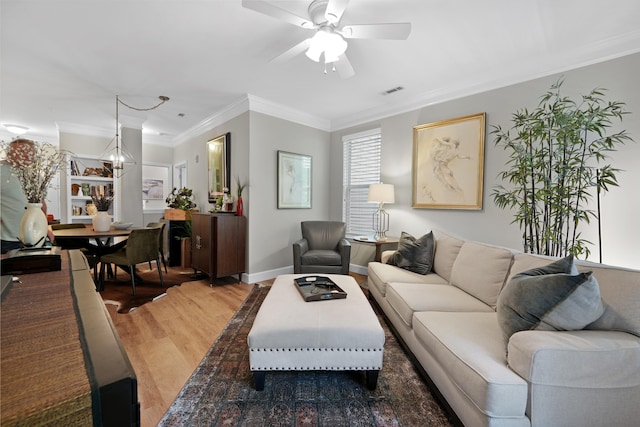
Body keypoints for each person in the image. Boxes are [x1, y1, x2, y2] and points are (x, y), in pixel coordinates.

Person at [1, 138, 42, 253]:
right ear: (10, 152)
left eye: (31, 152)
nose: (28, 155)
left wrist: (45, 228)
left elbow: (41, 204)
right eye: (22, 151)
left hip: (35, 236)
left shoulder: (36, 175)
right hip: (7, 239)